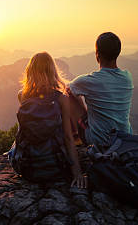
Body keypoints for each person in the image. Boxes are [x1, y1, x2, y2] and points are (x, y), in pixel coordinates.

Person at [17, 52, 87, 188]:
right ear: (52, 71)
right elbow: (67, 137)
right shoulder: (62, 98)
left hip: (28, 167)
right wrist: (77, 173)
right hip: (55, 165)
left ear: (30, 71)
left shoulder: (22, 95)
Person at [67, 32, 134, 147]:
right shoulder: (127, 77)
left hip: (99, 141)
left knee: (68, 97)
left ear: (97, 54)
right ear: (118, 53)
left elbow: (68, 89)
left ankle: (73, 139)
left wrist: (84, 113)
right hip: (125, 139)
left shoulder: (89, 81)